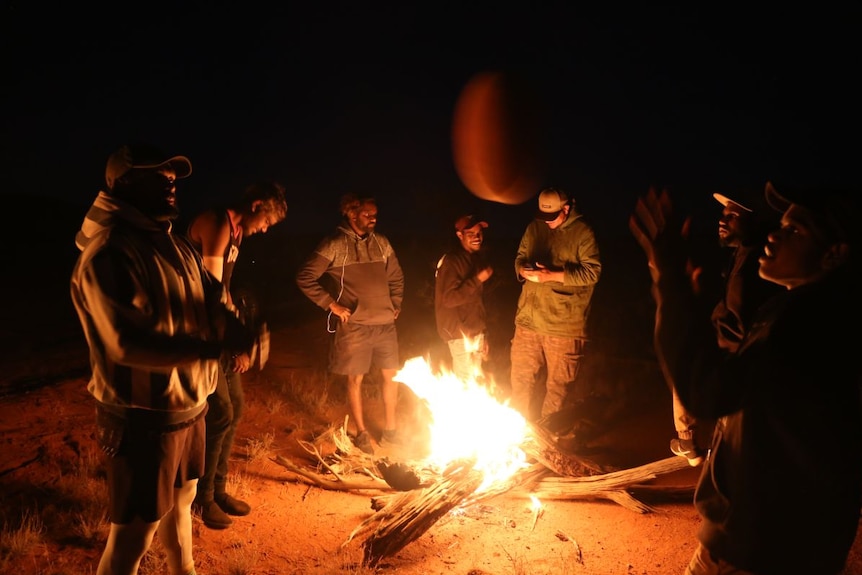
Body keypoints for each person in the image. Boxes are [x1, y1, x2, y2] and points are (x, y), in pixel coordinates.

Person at [630, 182, 861, 575]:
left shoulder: (803, 325)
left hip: (755, 546)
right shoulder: (826, 315)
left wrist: (669, 279)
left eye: (795, 230)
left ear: (834, 254)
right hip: (804, 542)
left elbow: (706, 390)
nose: (773, 233)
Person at [71, 143, 254, 575]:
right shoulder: (110, 253)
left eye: (173, 177)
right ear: (123, 184)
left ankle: (183, 569)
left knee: (184, 500)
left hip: (188, 407)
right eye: (158, 176)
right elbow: (124, 345)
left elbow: (212, 301)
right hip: (142, 416)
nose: (171, 184)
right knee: (135, 534)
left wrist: (239, 330)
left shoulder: (174, 245)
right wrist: (209, 348)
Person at [186, 180, 288, 529]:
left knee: (237, 408)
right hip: (199, 331)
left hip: (219, 328)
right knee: (219, 412)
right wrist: (236, 340)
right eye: (267, 221)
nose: (265, 229)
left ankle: (218, 488)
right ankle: (202, 499)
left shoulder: (237, 232)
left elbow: (225, 289)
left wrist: (239, 328)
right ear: (257, 204)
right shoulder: (216, 222)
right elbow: (211, 292)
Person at [669, 189, 782, 465]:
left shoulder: (752, 265)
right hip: (739, 354)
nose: (723, 220)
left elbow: (739, 327)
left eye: (732, 216)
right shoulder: (742, 254)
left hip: (737, 356)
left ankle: (690, 442)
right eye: (723, 214)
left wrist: (703, 337)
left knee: (682, 361)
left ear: (753, 222)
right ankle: (702, 446)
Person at [296, 194, 405, 455]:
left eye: (375, 214)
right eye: (368, 214)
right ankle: (362, 432)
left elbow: (397, 276)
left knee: (392, 376)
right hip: (355, 327)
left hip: (385, 325)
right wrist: (332, 305)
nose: (373, 218)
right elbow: (305, 277)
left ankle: (391, 431)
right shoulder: (334, 244)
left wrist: (396, 302)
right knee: (355, 380)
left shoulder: (381, 243)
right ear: (351, 214)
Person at [509, 187, 602, 426]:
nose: (547, 222)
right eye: (544, 217)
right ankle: (517, 441)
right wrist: (522, 269)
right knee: (520, 382)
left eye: (553, 217)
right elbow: (520, 256)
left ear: (567, 209)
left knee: (558, 390)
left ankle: (549, 443)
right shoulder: (535, 227)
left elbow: (592, 272)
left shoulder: (583, 232)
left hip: (564, 326)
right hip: (529, 320)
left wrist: (552, 275)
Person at [434, 214, 494, 383]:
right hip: (458, 332)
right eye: (471, 234)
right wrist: (477, 280)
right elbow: (449, 299)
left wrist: (483, 333)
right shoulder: (451, 261)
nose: (477, 237)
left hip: (475, 330)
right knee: (465, 382)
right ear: (460, 235)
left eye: (479, 233)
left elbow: (476, 302)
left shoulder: (475, 259)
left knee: (476, 379)